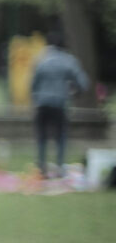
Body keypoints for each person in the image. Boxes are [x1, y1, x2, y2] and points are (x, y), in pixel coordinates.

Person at [31, 30, 90, 177]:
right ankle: (59, 167)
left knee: (42, 136)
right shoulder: (68, 60)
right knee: (61, 137)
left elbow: (33, 85)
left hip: (42, 103)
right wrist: (74, 93)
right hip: (59, 103)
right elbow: (84, 83)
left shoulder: (41, 59)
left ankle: (42, 167)